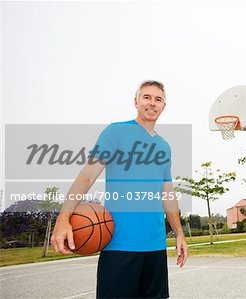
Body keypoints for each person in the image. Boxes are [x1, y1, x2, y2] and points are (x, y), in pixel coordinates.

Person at [51, 80, 187, 299]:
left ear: (164, 106)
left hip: (155, 247)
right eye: (146, 97)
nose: (152, 103)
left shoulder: (164, 146)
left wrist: (179, 233)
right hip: (119, 245)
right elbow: (87, 176)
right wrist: (63, 219)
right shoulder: (116, 132)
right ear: (136, 101)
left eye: (158, 99)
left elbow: (167, 193)